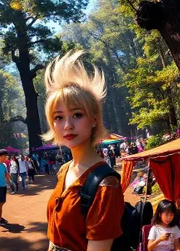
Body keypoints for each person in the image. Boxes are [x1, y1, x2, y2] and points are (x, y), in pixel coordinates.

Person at [44, 51, 124, 251]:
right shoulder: (64, 170)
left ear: (94, 119)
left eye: (77, 114)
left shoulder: (107, 185)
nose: (67, 125)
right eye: (59, 117)